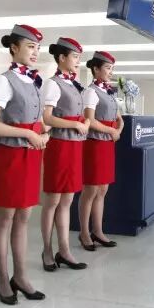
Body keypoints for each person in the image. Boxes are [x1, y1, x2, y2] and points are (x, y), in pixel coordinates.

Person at [0, 24, 47, 305]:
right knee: (6, 217)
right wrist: (28, 134)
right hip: (11, 157)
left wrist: (43, 134)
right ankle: (2, 277)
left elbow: (38, 120)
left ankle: (21, 276)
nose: (35, 52)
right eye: (30, 46)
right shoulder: (4, 80)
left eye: (37, 48)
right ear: (14, 48)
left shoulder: (34, 81)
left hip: (31, 156)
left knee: (24, 218)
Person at [41, 37, 91, 271]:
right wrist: (74, 124)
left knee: (67, 200)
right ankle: (47, 250)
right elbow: (47, 118)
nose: (78, 61)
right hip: (59, 146)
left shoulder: (74, 84)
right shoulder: (53, 84)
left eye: (79, 57)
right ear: (61, 58)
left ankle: (64, 250)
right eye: (75, 57)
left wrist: (84, 122)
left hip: (75, 146)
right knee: (52, 201)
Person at [78, 51, 123, 252]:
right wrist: (111, 131)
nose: (110, 72)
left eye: (112, 68)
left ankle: (98, 230)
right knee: (90, 190)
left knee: (103, 190)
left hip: (107, 144)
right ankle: (84, 233)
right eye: (107, 68)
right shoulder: (91, 92)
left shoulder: (108, 92)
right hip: (94, 144)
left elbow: (117, 117)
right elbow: (90, 120)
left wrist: (119, 127)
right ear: (96, 69)